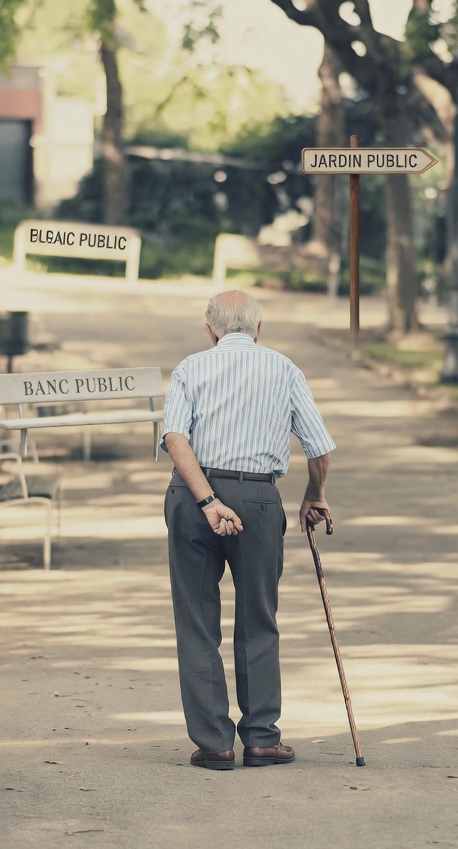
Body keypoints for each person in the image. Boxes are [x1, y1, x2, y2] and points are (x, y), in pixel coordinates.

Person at [161, 289, 335, 770]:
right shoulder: (284, 369)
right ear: (259, 329)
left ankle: (214, 742)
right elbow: (319, 447)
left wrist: (208, 501)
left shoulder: (189, 368)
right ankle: (261, 738)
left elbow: (176, 438)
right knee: (259, 618)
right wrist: (313, 495)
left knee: (196, 621)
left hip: (193, 499)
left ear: (210, 330)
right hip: (259, 499)